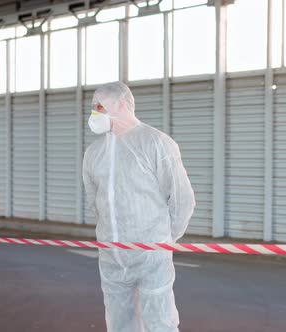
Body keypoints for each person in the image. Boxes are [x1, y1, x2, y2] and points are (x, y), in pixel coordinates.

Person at [82, 81, 196, 332]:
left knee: (160, 323)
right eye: (92, 107)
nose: (94, 113)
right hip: (111, 255)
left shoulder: (156, 143)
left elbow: (182, 200)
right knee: (119, 323)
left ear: (122, 104)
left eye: (99, 106)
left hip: (151, 254)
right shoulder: (93, 153)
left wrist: (162, 241)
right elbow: (96, 203)